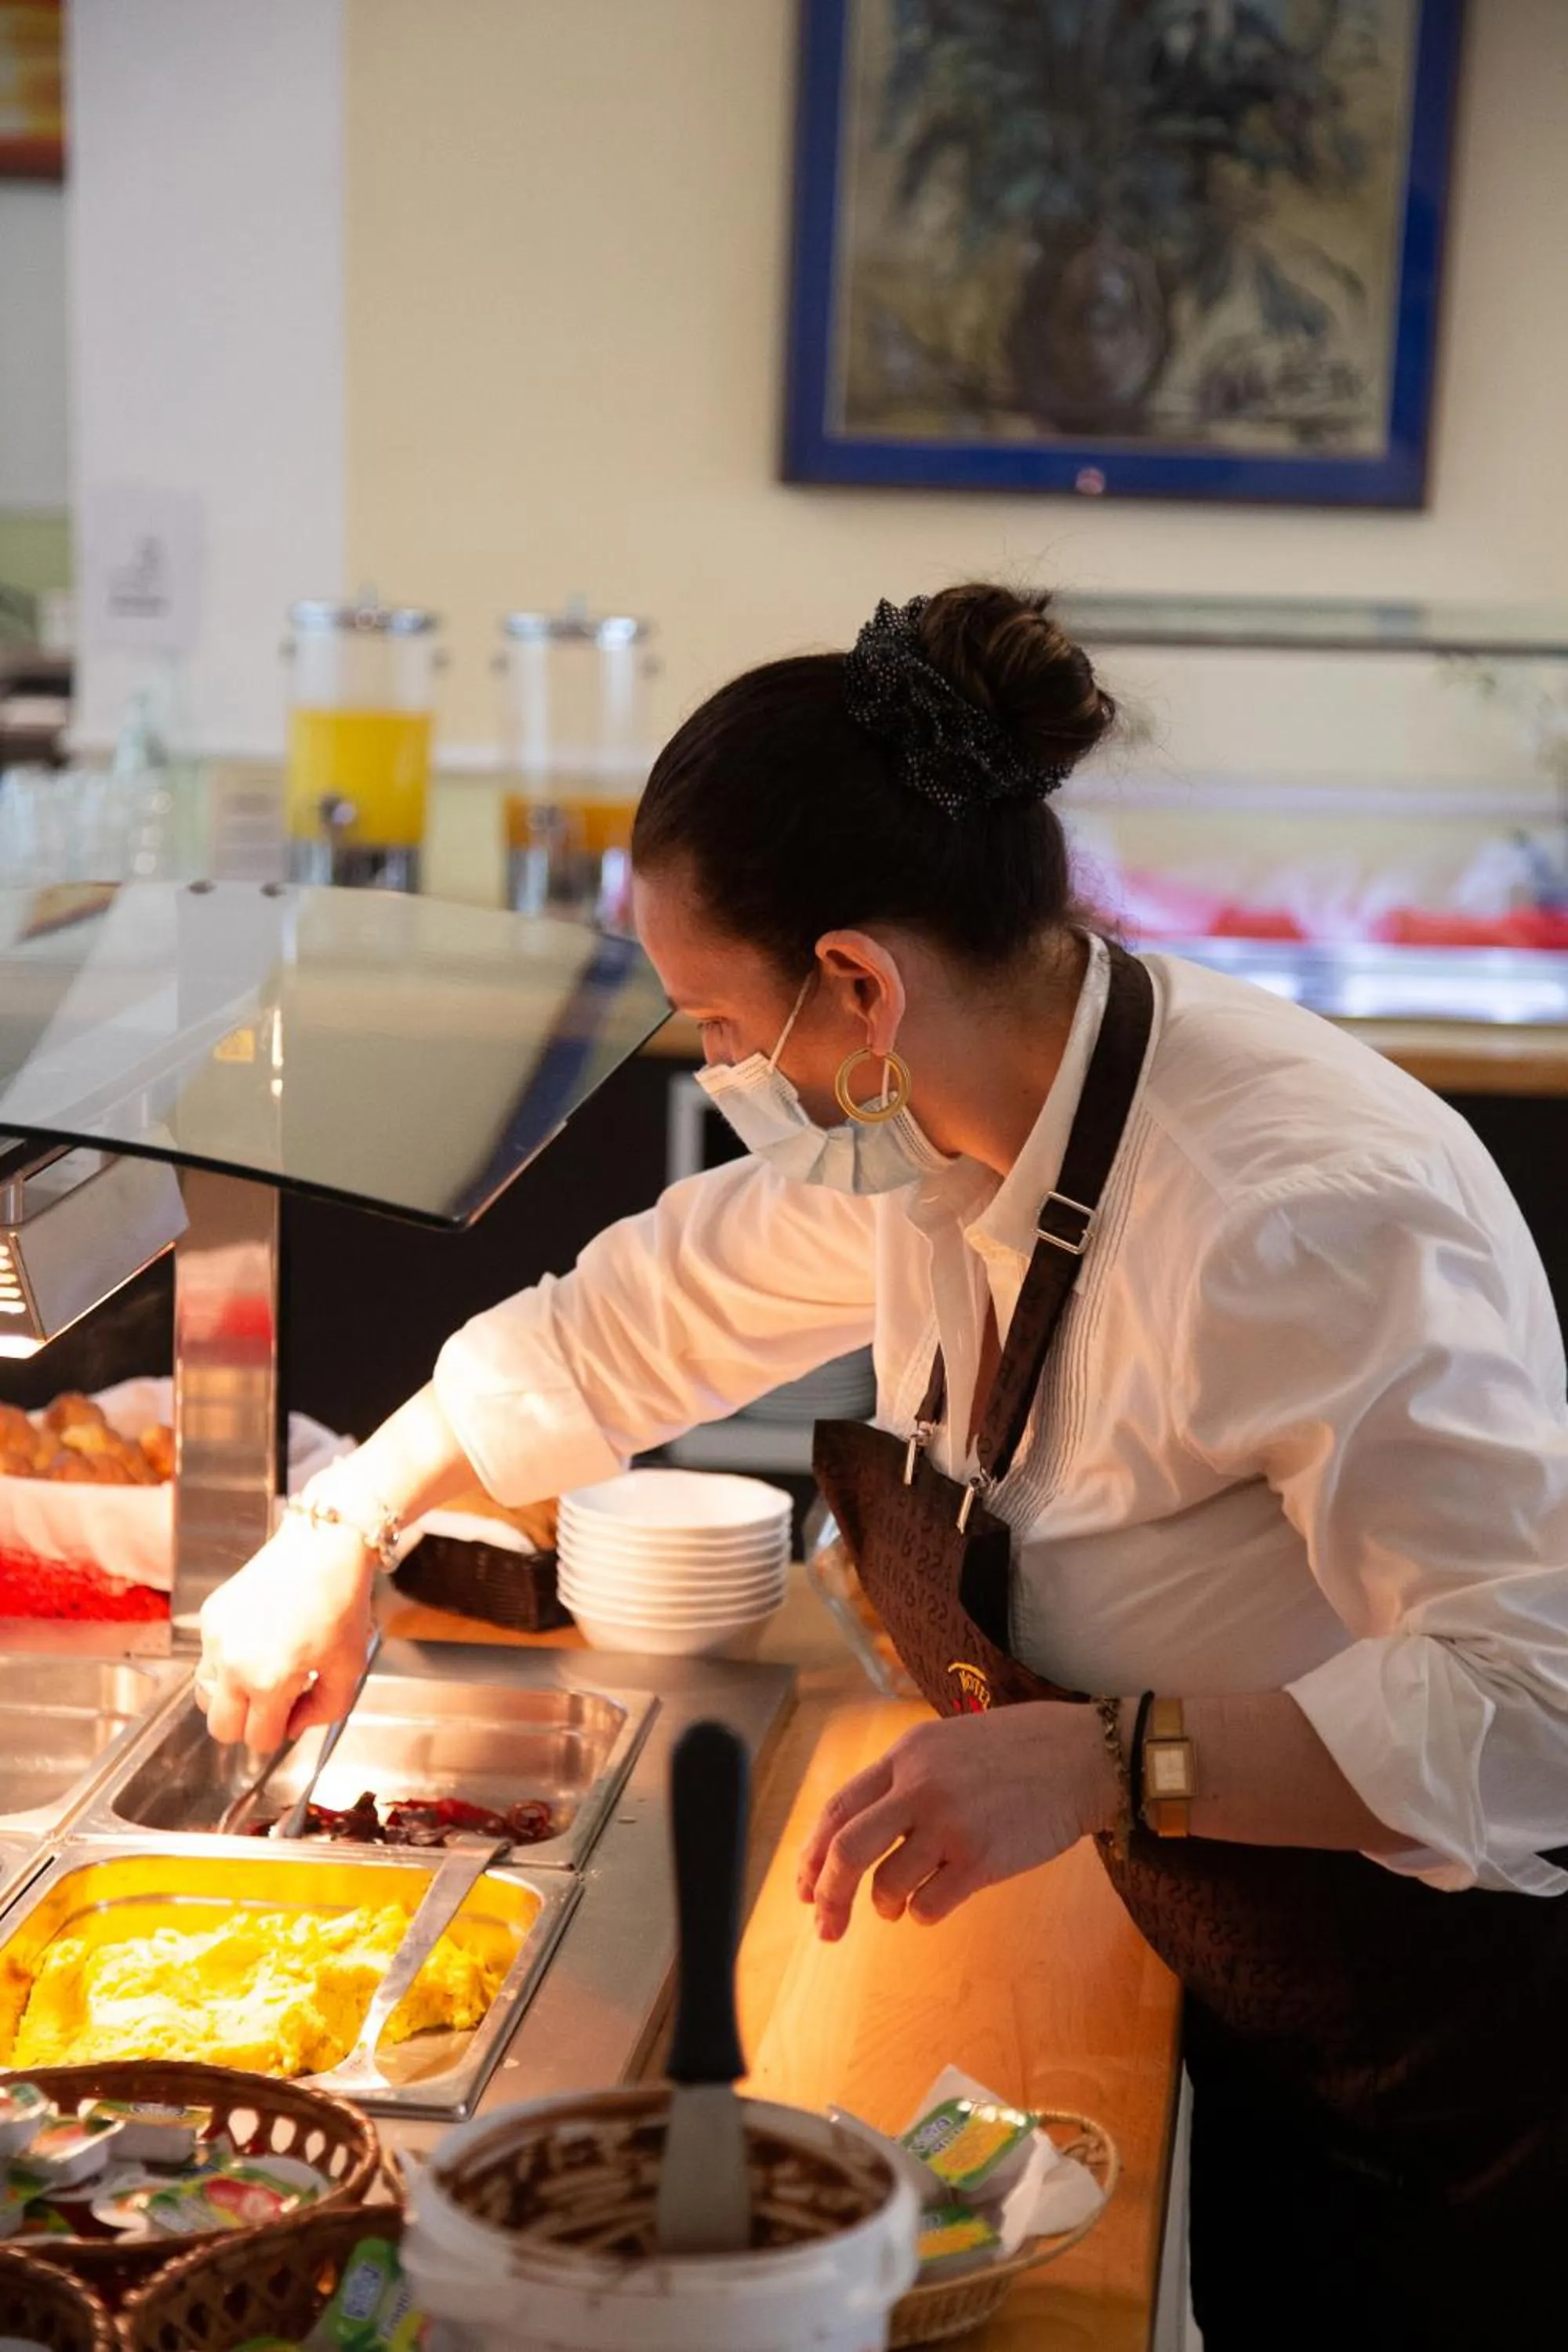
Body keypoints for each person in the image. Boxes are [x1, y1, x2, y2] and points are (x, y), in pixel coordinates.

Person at [198, 584, 1568, 2348]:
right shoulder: (941, 1123)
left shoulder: (1299, 1212)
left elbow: (1533, 1711)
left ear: (856, 984)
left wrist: (1109, 1760)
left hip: (1438, 2076)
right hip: (1213, 1966)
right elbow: (631, 1319)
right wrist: (342, 1522)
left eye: (713, 1018)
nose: (713, 1065)